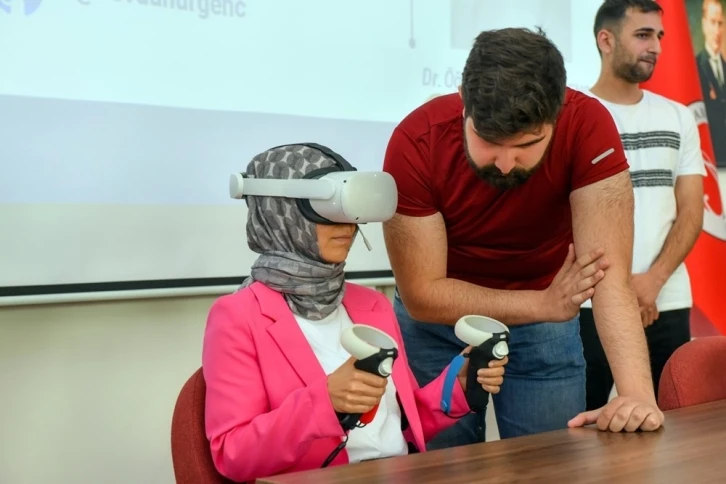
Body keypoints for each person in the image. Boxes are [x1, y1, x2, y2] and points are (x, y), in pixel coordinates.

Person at [381, 26, 664, 450]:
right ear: (463, 100)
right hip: (439, 327)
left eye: (527, 145)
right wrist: (542, 304)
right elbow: (422, 294)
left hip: (545, 324)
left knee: (551, 464)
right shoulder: (416, 142)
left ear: (557, 114)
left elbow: (607, 275)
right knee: (441, 471)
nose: (505, 163)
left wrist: (638, 394)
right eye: (488, 141)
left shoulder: (587, 125)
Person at [201, 143, 508, 483]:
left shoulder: (372, 305)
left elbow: (398, 425)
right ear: (281, 213)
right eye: (325, 209)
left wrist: (459, 384)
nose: (346, 224)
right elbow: (233, 454)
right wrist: (324, 402)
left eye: (349, 209)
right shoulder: (238, 316)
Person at [581, 0, 705, 411]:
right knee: (580, 426)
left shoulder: (678, 117)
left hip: (665, 298)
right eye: (642, 35)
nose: (656, 47)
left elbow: (691, 210)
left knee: (673, 426)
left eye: (659, 36)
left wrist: (653, 281)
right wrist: (619, 289)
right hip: (588, 302)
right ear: (606, 40)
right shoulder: (572, 114)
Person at [696, 0, 726, 166]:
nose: (717, 30)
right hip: (709, 159)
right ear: (704, 24)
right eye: (713, 22)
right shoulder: (695, 68)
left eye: (720, 23)